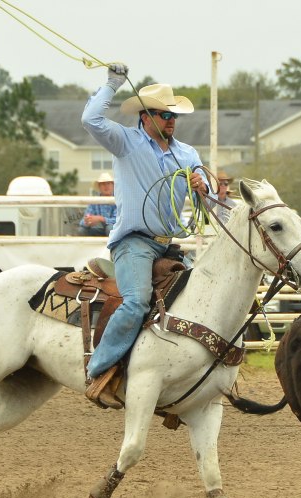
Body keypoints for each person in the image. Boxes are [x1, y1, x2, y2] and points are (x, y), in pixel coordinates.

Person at [81, 63, 208, 408]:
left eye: (173, 116)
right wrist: (112, 84)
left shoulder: (187, 154)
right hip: (134, 241)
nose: (170, 120)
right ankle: (99, 370)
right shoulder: (126, 142)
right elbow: (91, 120)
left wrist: (202, 185)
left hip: (168, 244)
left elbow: (205, 192)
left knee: (205, 296)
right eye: (163, 114)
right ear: (145, 116)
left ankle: (186, 376)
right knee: (136, 301)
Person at [78, 172, 117, 236]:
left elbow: (118, 221)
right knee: (81, 230)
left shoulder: (117, 200)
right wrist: (88, 221)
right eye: (103, 184)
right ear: (99, 186)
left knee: (110, 228)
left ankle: (112, 245)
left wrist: (100, 218)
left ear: (113, 185)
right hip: (97, 229)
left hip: (111, 229)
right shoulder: (94, 201)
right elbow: (83, 221)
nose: (106, 186)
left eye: (108, 183)